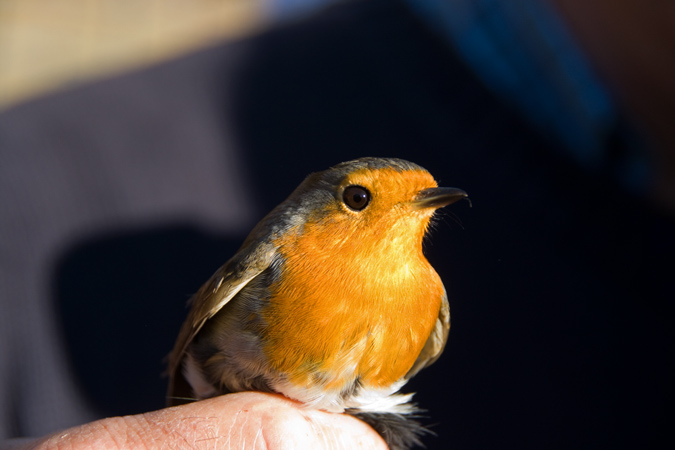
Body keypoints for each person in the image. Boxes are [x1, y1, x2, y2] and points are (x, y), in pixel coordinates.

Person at [1, 0, 672, 448]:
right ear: (308, 213)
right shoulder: (31, 186)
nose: (412, 207)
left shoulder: (424, 302)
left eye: (424, 199)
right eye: (358, 198)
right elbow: (188, 356)